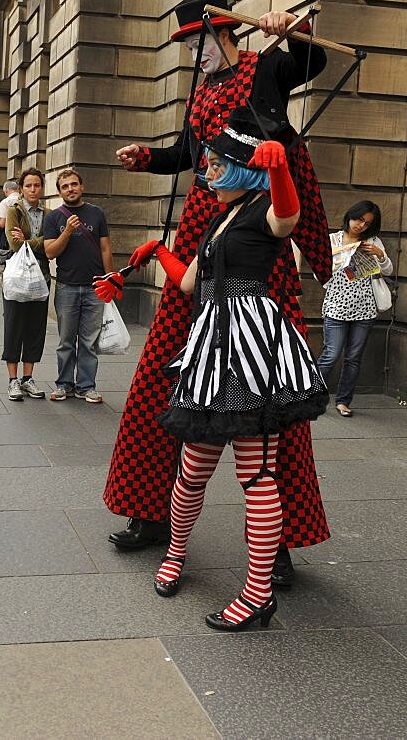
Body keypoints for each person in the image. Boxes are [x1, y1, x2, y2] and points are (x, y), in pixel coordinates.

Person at [100, 0, 332, 582]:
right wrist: (149, 158)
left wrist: (295, 30)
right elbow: (188, 153)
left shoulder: (264, 66)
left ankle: (277, 542)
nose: (190, 52)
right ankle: (150, 511)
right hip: (203, 230)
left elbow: (313, 65)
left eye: (194, 42)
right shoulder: (200, 92)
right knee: (159, 373)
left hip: (258, 237)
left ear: (222, 34)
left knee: (269, 399)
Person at [118, 113, 328, 631]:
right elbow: (190, 284)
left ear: (243, 168)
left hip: (250, 346)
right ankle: (175, 554)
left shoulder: (262, 210)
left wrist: (280, 170)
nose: (207, 169)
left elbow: (289, 216)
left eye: (216, 162)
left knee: (256, 474)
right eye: (207, 161)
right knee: (192, 469)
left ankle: (258, 594)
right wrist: (156, 253)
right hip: (210, 345)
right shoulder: (221, 217)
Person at [316, 200, 393, 417]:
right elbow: (318, 274)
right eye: (359, 219)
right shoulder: (332, 240)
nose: (361, 226)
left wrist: (380, 254)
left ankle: (343, 401)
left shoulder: (373, 242)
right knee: (331, 354)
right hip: (336, 306)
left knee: (353, 357)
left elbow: (388, 270)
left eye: (367, 223)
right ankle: (310, 397)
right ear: (351, 216)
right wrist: (337, 261)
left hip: (365, 307)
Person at [44, 168, 113, 402]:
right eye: (65, 186)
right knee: (66, 340)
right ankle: (64, 384)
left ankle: (86, 386)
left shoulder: (96, 213)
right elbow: (50, 252)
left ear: (81, 186)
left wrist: (111, 277)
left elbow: (105, 247)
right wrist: (68, 231)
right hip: (66, 286)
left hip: (95, 286)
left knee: (89, 341)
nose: (70, 189)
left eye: (74, 184)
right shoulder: (54, 217)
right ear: (60, 191)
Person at [2, 168, 51, 401]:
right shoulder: (14, 210)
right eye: (28, 185)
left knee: (35, 329)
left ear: (42, 188)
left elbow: (51, 245)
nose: (33, 189)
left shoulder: (49, 214)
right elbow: (14, 244)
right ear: (21, 189)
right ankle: (13, 381)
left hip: (41, 277)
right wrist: (39, 243)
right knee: (14, 327)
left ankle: (28, 378)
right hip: (17, 277)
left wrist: (30, 241)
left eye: (37, 185)